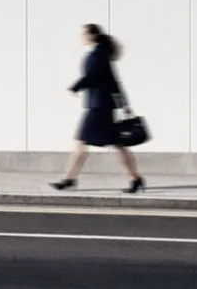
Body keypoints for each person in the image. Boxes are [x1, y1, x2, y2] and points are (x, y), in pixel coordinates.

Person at [51, 23, 145, 194]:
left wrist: (75, 87)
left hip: (98, 107)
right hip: (102, 106)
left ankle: (70, 179)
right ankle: (135, 178)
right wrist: (124, 104)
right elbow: (113, 81)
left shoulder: (98, 54)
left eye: (83, 34)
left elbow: (92, 77)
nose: (81, 37)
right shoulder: (101, 53)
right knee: (117, 144)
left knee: (81, 142)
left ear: (91, 36)